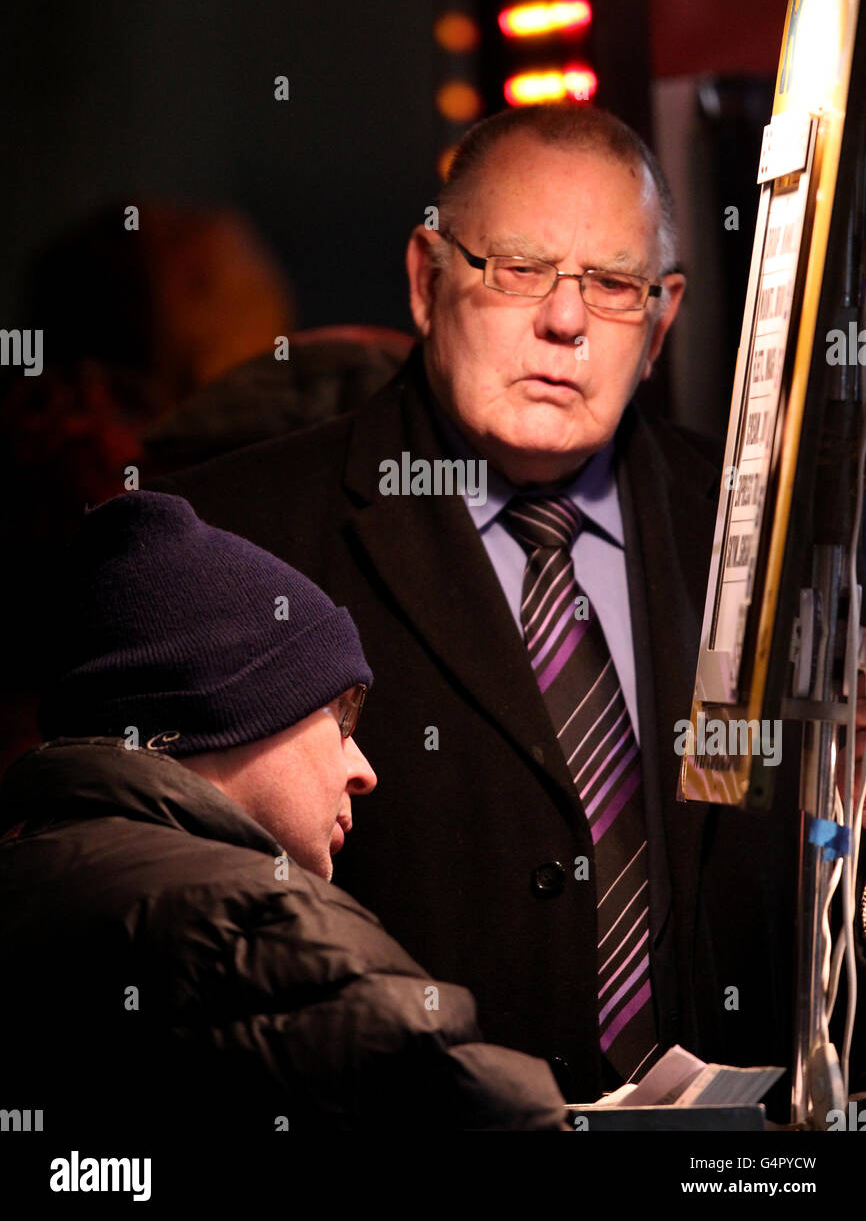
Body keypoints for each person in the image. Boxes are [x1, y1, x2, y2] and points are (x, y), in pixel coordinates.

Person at [148, 102, 863, 1110]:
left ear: (659, 319)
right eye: (517, 269)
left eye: (611, 285)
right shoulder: (235, 539)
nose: (563, 320)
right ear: (424, 276)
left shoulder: (771, 537)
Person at [0, 491, 567, 1139]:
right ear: (219, 712)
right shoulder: (265, 922)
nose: (365, 770)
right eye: (343, 714)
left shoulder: (35, 878)